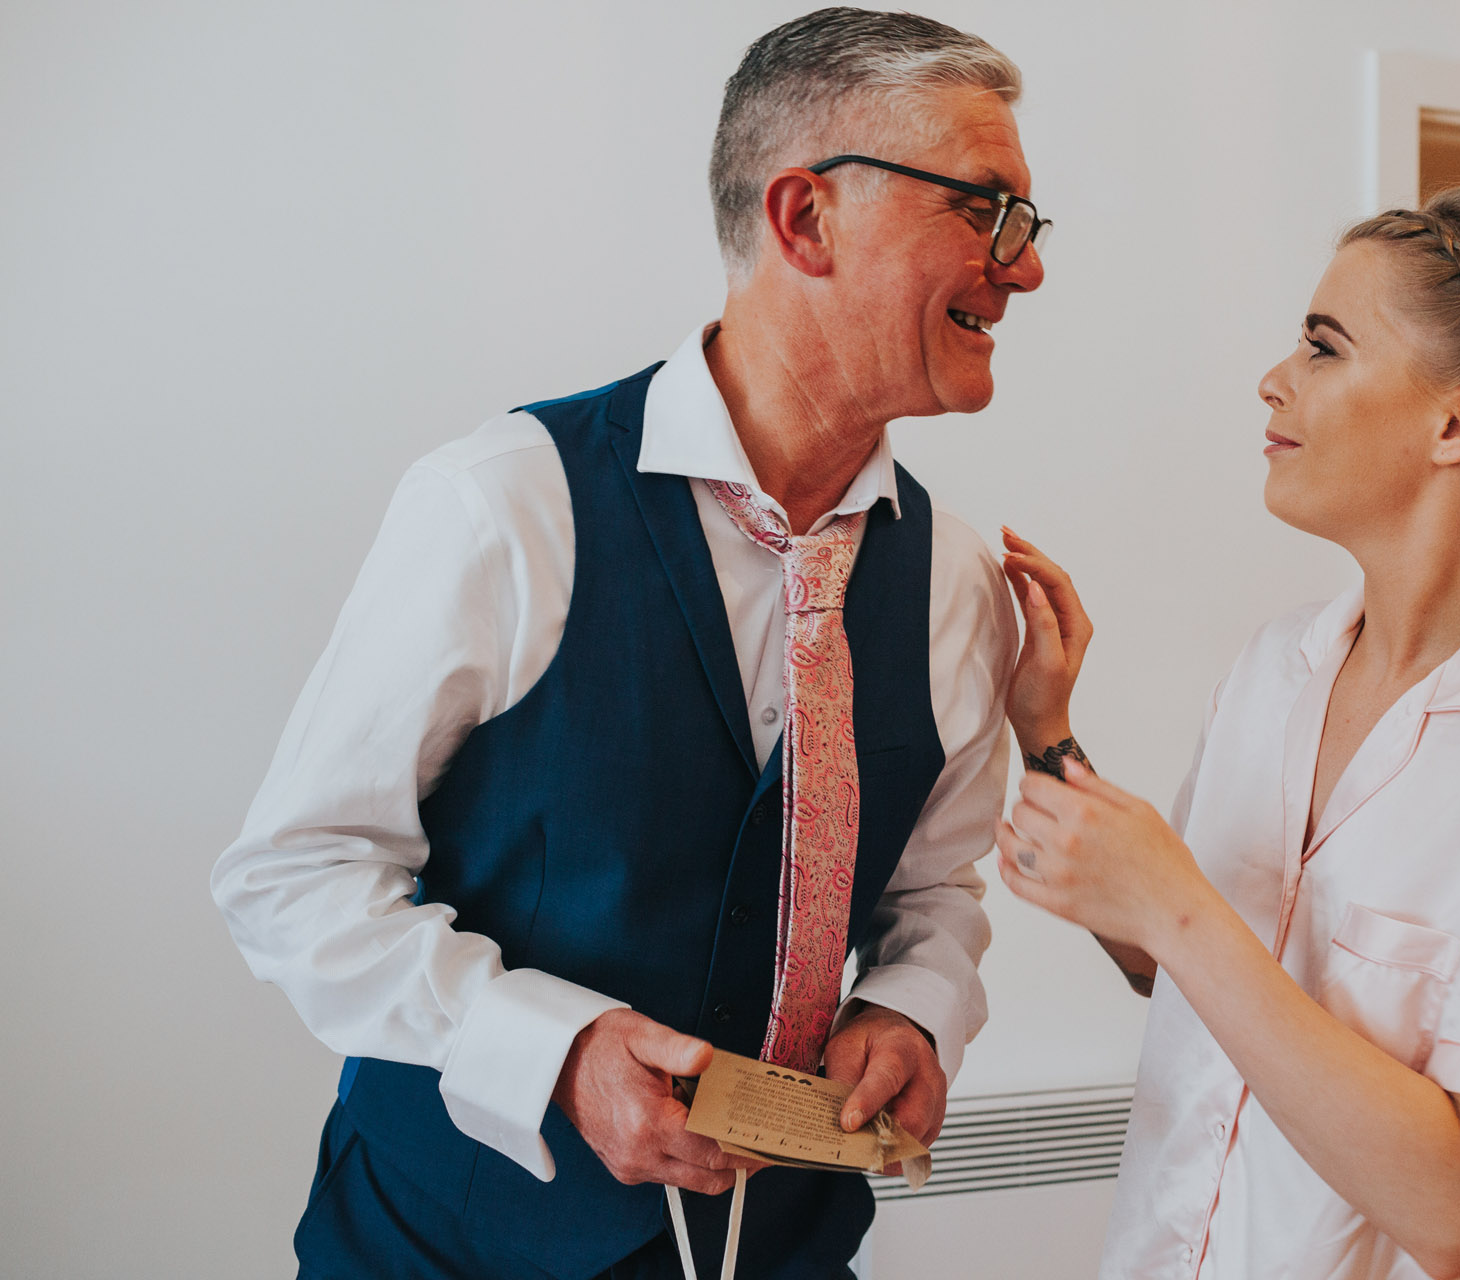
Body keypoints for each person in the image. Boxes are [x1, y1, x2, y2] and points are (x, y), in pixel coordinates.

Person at [209, 9, 1043, 1278]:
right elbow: (295, 875)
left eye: (1024, 225)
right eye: (983, 210)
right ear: (804, 218)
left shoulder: (960, 580)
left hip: (789, 1246)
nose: (1022, 267)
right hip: (449, 1242)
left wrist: (910, 1010)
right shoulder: (502, 504)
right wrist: (553, 1045)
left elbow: (931, 888)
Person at [998, 176, 1460, 1279]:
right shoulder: (1272, 670)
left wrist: (1176, 904)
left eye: (1323, 347)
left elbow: (1458, 1198)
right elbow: (1173, 960)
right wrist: (1049, 731)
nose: (1273, 381)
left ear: (1457, 420)